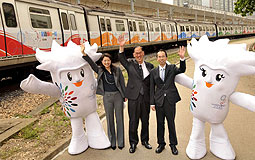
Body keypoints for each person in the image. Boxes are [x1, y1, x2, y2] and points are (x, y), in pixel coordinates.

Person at [81, 44, 126, 150]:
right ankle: (112, 141)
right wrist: (84, 53)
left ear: (111, 61)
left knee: (119, 119)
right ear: (102, 62)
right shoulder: (100, 71)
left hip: (118, 96)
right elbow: (92, 64)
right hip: (107, 97)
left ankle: (121, 142)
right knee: (110, 119)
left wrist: (124, 96)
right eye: (104, 61)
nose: (106, 62)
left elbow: (122, 83)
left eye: (108, 60)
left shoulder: (117, 70)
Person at [118, 35, 154, 153]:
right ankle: (133, 143)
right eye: (136, 53)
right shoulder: (130, 65)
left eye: (140, 53)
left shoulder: (150, 66)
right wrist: (122, 46)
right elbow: (121, 58)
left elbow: (153, 83)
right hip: (133, 98)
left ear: (143, 53)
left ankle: (145, 140)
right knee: (133, 121)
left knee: (145, 120)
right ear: (133, 55)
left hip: (145, 98)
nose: (138, 55)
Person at [150, 48, 186, 155]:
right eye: (159, 57)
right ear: (157, 59)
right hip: (159, 101)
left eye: (163, 56)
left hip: (170, 100)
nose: (161, 58)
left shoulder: (172, 68)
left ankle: (173, 145)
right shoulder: (153, 72)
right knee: (160, 123)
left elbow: (182, 70)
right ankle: (161, 144)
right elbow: (152, 88)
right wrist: (152, 103)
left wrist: (182, 58)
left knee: (171, 123)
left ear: (166, 58)